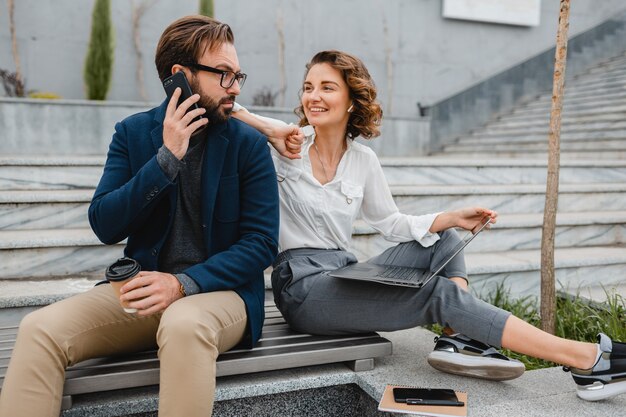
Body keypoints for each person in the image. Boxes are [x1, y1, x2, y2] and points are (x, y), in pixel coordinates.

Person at [231, 49, 626, 401]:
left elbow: (390, 222)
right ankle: (586, 359)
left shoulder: (363, 160)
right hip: (302, 286)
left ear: (352, 100)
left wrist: (451, 217)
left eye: (327, 87)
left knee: (444, 238)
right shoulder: (285, 147)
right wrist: (269, 128)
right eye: (308, 87)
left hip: (342, 270)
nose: (314, 96)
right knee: (440, 294)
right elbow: (223, 109)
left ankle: (456, 339)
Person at [0, 16, 280, 417]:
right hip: (141, 292)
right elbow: (104, 223)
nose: (235, 86)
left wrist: (182, 283)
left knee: (184, 324)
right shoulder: (132, 133)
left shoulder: (248, 145)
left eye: (238, 75)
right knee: (39, 330)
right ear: (180, 76)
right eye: (223, 74)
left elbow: (262, 243)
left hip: (222, 295)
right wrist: (165, 160)